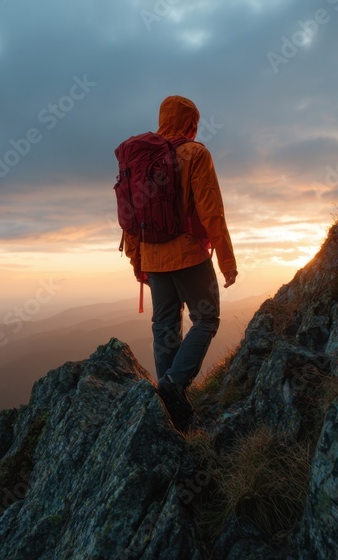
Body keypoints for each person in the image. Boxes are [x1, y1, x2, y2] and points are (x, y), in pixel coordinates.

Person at [122, 95, 237, 432]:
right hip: (189, 255)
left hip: (152, 256)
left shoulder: (139, 159)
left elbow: (130, 218)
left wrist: (137, 261)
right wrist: (227, 261)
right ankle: (173, 385)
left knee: (164, 325)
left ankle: (169, 407)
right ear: (190, 123)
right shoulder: (195, 154)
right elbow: (211, 212)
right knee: (207, 319)